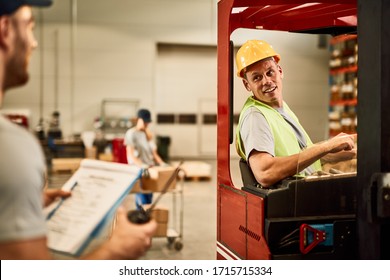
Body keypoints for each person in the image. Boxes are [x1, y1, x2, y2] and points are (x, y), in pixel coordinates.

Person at [0, 0, 157, 260]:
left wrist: (27, 200)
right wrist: (116, 250)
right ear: (5, 30)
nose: (34, 42)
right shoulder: (11, 147)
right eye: (29, 26)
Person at [235, 40, 357, 188]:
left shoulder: (281, 109)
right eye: (257, 77)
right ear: (247, 85)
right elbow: (265, 172)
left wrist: (341, 152)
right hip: (290, 202)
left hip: (304, 192)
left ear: (280, 71)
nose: (266, 81)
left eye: (270, 72)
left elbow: (301, 155)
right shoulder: (255, 116)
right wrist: (326, 146)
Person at [124, 108, 166, 208]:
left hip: (149, 170)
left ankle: (145, 220)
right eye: (145, 121)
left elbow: (153, 153)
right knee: (142, 201)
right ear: (139, 119)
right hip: (139, 171)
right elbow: (130, 154)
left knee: (149, 200)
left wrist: (162, 163)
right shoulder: (131, 133)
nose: (147, 124)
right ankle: (140, 221)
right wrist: (142, 166)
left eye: (148, 122)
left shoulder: (146, 134)